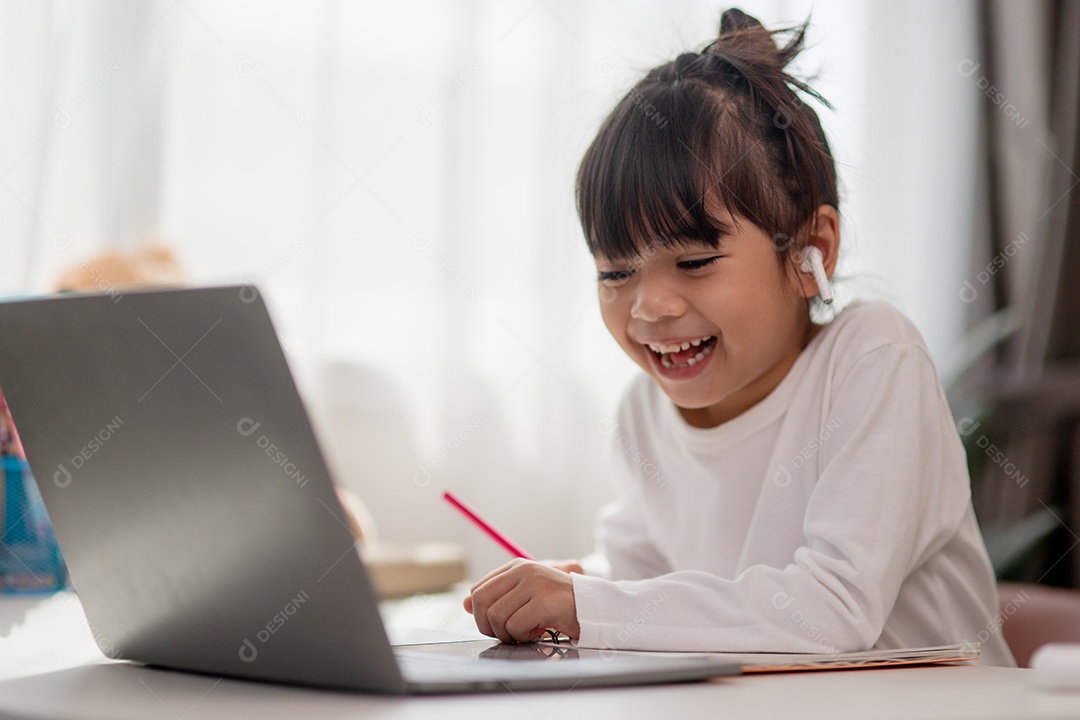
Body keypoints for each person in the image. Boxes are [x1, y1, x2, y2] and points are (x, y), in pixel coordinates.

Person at [462, 8, 1015, 666]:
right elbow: (646, 588)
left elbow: (834, 611)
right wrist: (584, 587)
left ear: (812, 250)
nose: (649, 306)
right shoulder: (645, 412)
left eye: (694, 262)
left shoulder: (872, 358)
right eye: (614, 271)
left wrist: (594, 607)